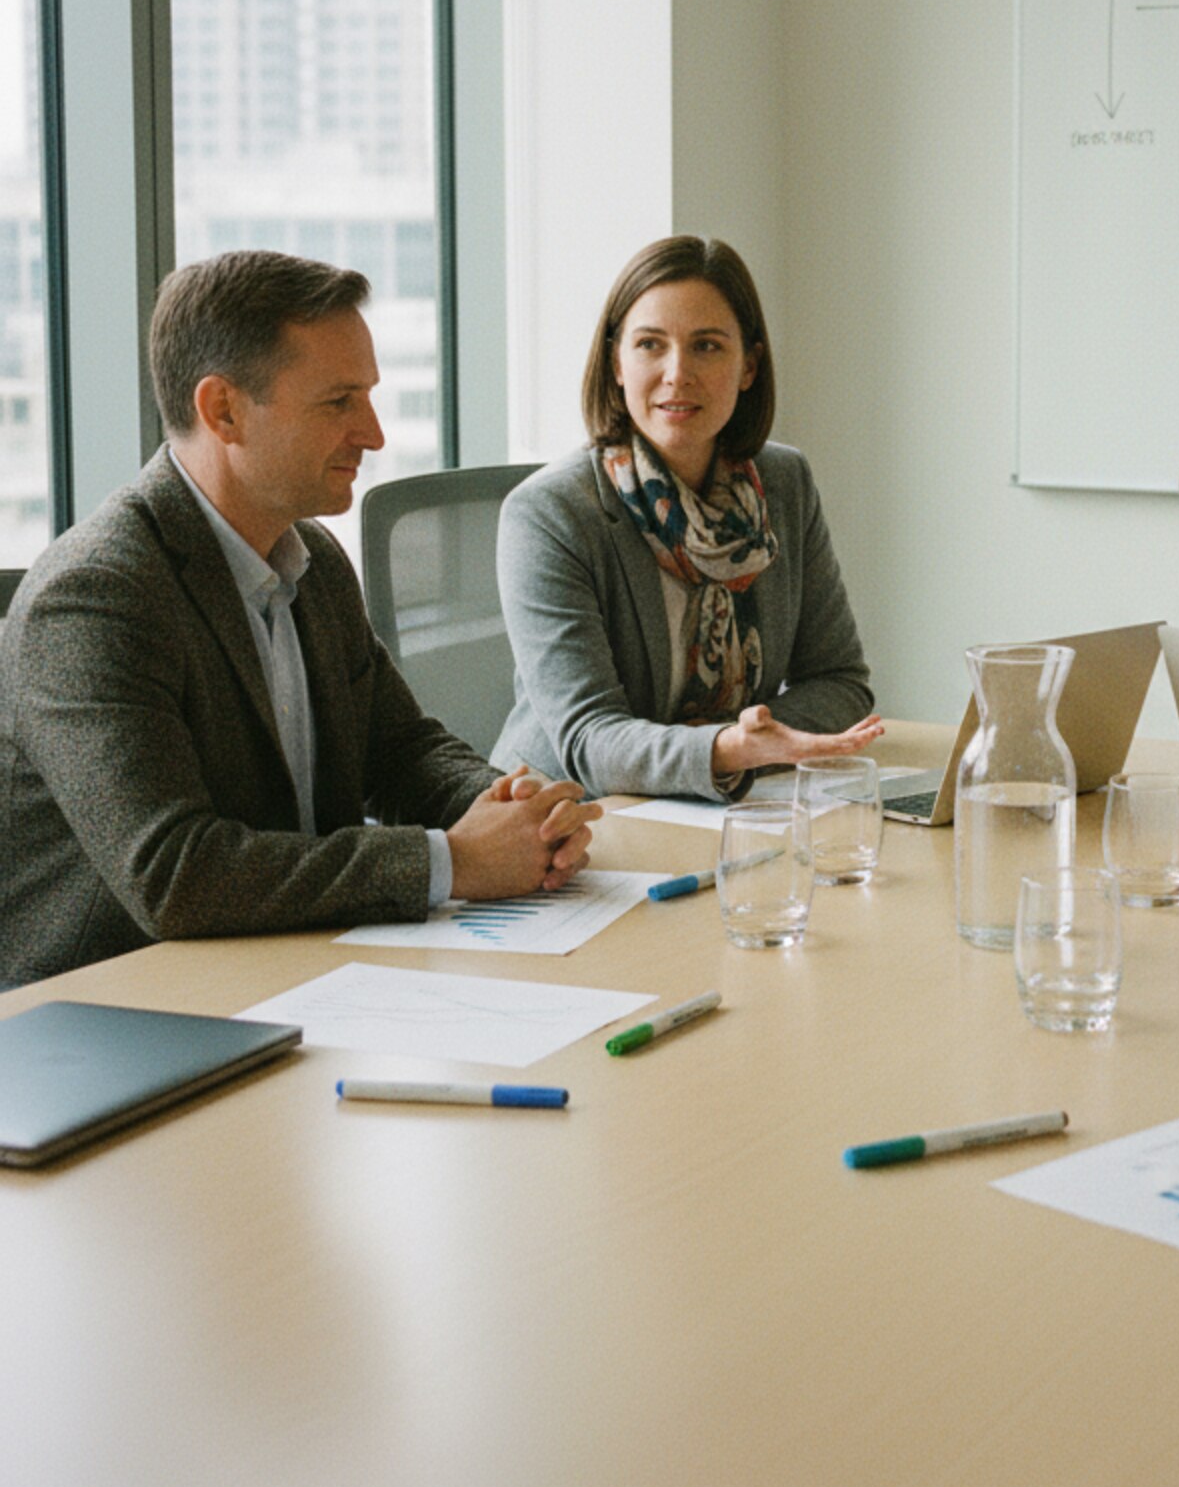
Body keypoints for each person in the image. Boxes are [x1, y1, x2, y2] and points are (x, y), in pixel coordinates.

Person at [0, 252, 600, 990]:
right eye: (339, 401)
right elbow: (175, 873)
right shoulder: (96, 596)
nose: (374, 433)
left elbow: (400, 751)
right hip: (108, 1010)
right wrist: (455, 861)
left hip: (288, 972)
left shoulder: (308, 554)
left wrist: (513, 811)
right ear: (222, 410)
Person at [494, 234, 879, 802]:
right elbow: (589, 739)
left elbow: (841, 681)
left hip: (728, 804)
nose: (677, 373)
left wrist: (751, 743)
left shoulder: (783, 483)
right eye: (650, 344)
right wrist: (723, 749)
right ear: (616, 363)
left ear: (749, 365)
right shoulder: (548, 515)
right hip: (568, 819)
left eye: (707, 347)